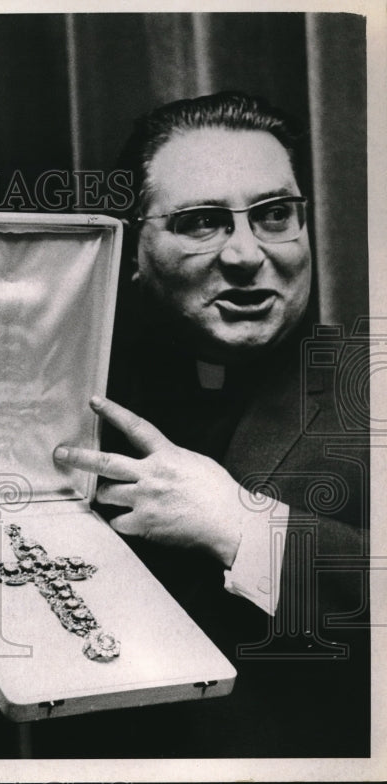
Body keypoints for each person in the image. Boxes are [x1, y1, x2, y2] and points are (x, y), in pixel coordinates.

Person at [49, 92, 370, 756]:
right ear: (132, 250)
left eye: (276, 215)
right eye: (202, 222)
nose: (249, 255)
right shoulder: (67, 402)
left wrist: (240, 527)